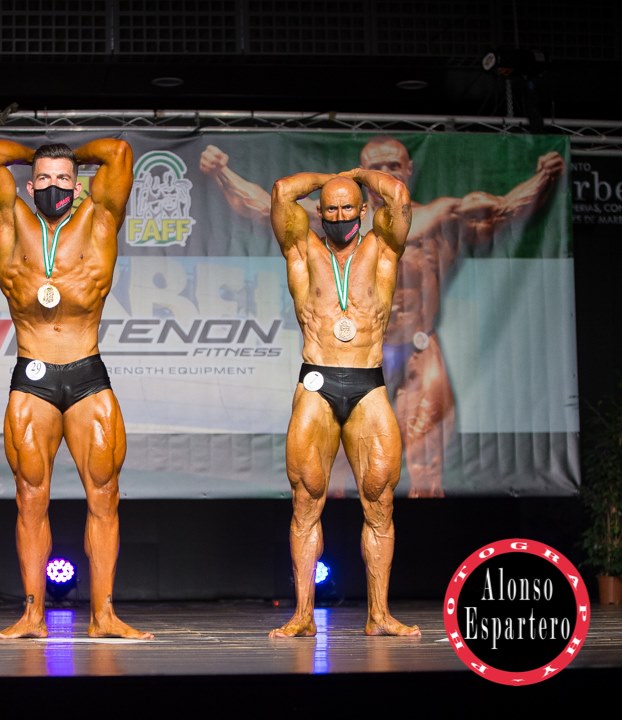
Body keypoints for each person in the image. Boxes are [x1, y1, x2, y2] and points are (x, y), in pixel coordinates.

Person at [201, 138, 565, 497]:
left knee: (426, 468)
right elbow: (263, 207)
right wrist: (222, 173)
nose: (387, 172)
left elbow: (504, 211)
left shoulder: (440, 216)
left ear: (409, 169)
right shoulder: (330, 219)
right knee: (333, 473)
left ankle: (424, 536)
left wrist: (545, 177)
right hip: (350, 358)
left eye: (394, 165)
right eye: (377, 167)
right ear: (364, 174)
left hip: (416, 353)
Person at [0, 137, 153, 641]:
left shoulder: (99, 218)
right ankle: (32, 615)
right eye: (44, 179)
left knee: (105, 495)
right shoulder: (10, 220)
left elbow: (119, 151)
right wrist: (38, 154)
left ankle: (104, 616)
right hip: (32, 374)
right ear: (30, 186)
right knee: (30, 497)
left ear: (77, 187)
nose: (53, 186)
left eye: (63, 179)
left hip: (86, 373)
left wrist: (70, 155)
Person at [268, 166, 420, 638]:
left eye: (346, 207)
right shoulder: (302, 247)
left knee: (380, 500)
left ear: (363, 209)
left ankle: (379, 615)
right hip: (316, 381)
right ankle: (302, 616)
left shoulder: (383, 247)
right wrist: (329, 178)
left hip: (367, 384)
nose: (337, 216)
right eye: (330, 209)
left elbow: (399, 196)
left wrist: (356, 174)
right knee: (306, 499)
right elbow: (281, 191)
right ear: (318, 212)